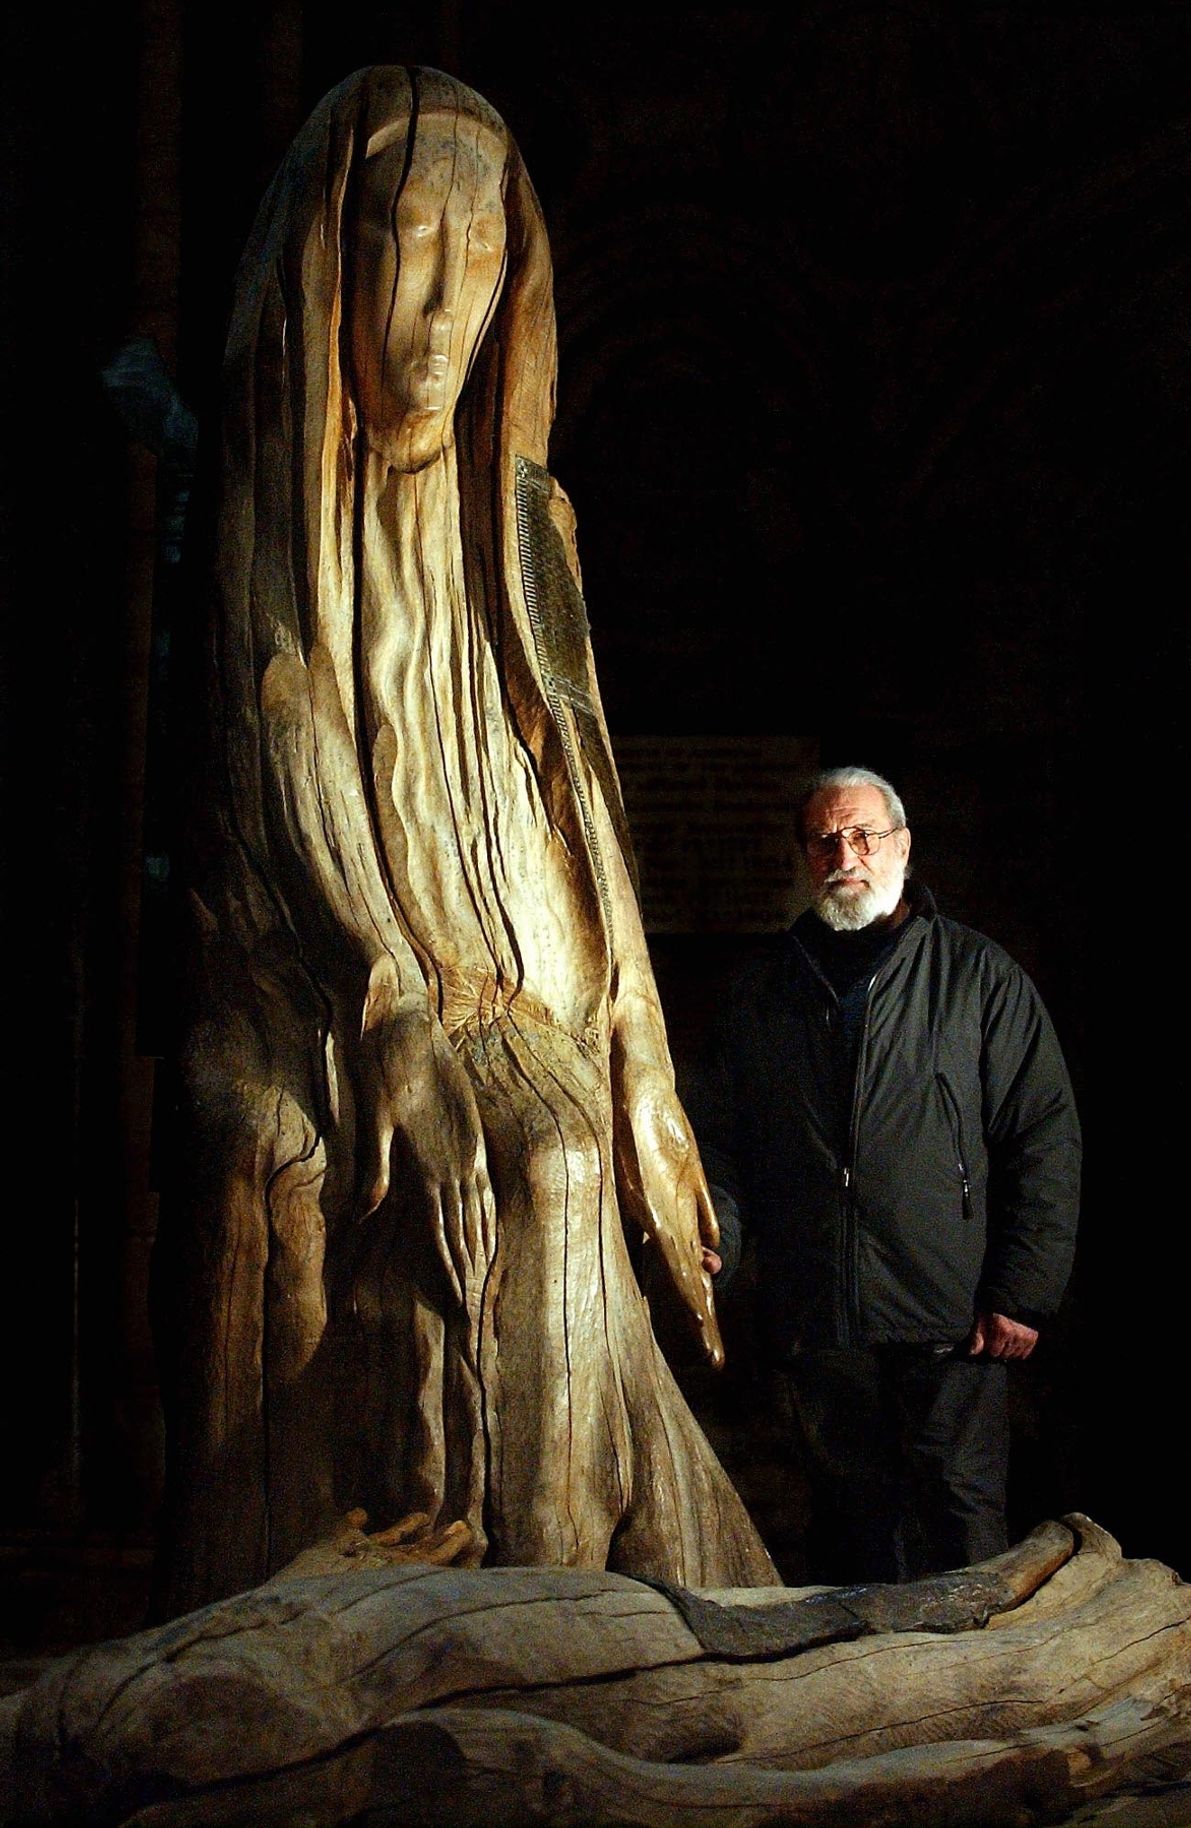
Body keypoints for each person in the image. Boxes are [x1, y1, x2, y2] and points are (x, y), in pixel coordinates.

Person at [151, 65, 776, 1616]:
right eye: (399, 244)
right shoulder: (274, 515)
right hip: (331, 987)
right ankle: (398, 1601)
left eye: (476, 253)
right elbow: (286, 758)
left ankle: (554, 1613)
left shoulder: (524, 523)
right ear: (328, 253)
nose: (436, 312)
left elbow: (585, 786)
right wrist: (395, 1015)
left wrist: (641, 1041)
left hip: (522, 993)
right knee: (290, 1173)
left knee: (568, 1162)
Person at [698, 765, 1080, 1583]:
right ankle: (865, 1704)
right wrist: (719, 1245)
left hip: (950, 1313)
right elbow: (724, 1142)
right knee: (845, 1521)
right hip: (818, 1312)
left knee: (961, 1512)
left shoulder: (978, 978)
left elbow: (1043, 1138)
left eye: (865, 835)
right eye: (827, 840)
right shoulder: (768, 988)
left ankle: (979, 1693)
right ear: (806, 856)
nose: (847, 854)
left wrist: (1025, 1290)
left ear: (902, 846)